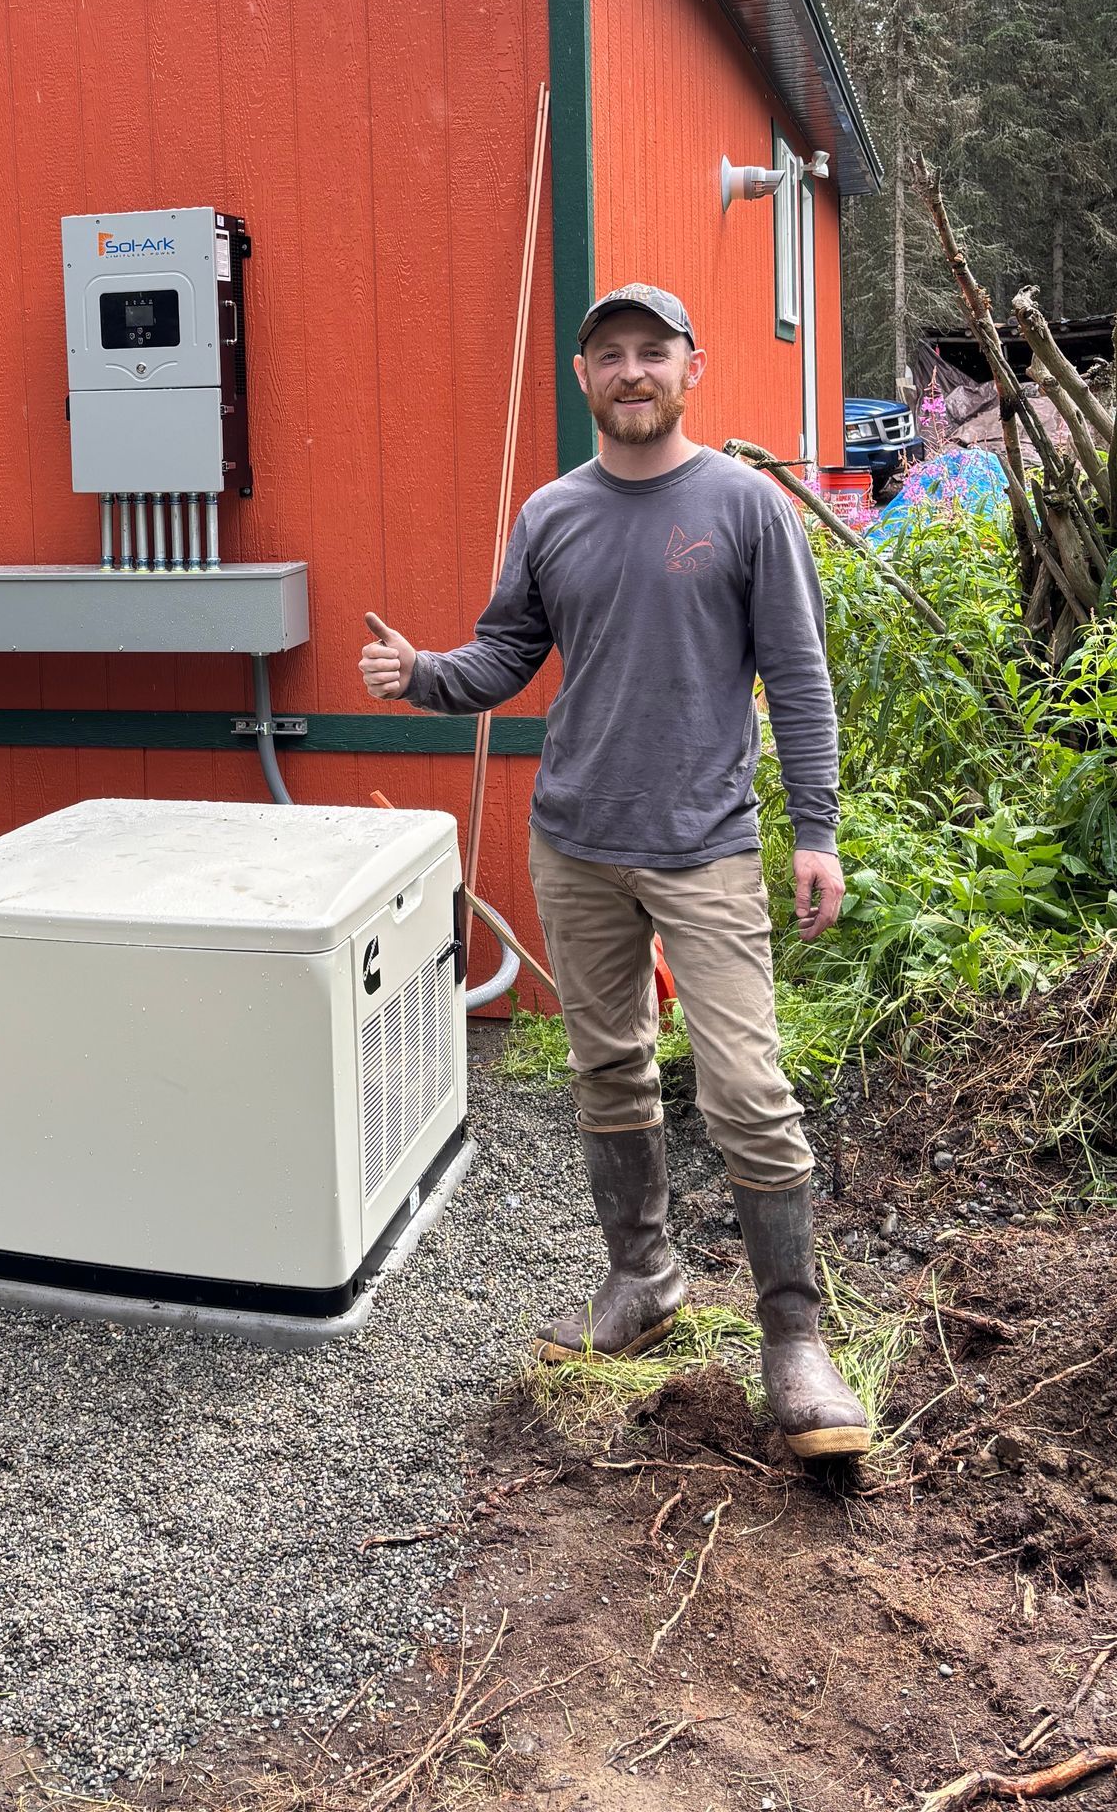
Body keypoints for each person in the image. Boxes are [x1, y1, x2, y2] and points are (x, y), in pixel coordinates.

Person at [359, 285, 869, 1460]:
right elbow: (507, 652)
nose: (632, 371)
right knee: (609, 1068)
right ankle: (643, 1279)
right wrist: (424, 672)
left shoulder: (744, 507)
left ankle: (793, 1337)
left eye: (653, 352)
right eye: (610, 356)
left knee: (745, 1088)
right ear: (583, 378)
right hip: (578, 840)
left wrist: (819, 831)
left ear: (692, 367)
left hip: (706, 848)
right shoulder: (553, 513)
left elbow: (798, 679)